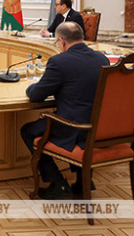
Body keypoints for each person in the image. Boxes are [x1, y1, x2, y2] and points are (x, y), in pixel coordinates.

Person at [20, 22, 110, 199]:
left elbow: (36, 96)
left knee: (28, 131)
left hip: (74, 128)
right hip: (99, 127)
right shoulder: (101, 59)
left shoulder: (59, 62)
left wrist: (31, 87)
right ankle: (84, 180)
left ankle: (57, 182)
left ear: (61, 41)